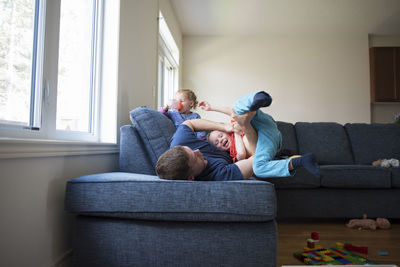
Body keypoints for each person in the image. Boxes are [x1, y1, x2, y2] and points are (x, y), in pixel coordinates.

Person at [156, 91, 320, 181]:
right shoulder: (218, 175)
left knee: (237, 110)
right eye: (195, 158)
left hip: (261, 123)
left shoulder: (179, 142)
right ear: (191, 178)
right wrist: (242, 127)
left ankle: (257, 99)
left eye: (191, 150)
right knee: (259, 167)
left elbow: (189, 124)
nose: (199, 150)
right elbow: (253, 158)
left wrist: (225, 126)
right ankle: (297, 160)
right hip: (264, 141)